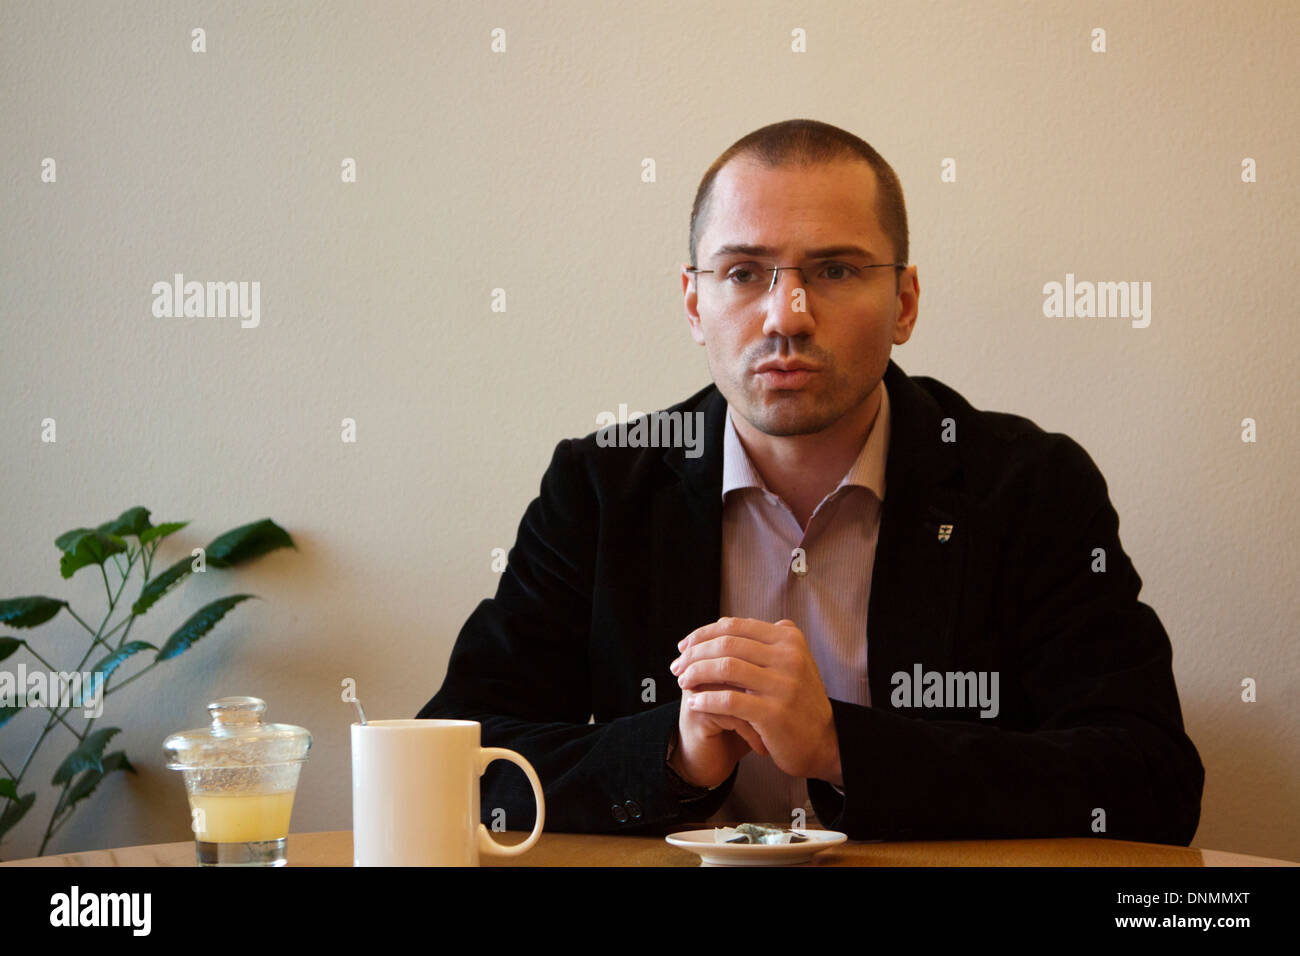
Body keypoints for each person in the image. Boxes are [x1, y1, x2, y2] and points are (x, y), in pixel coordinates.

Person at [416, 118, 1204, 844]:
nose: (785, 316)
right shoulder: (598, 489)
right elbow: (453, 765)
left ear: (905, 302)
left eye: (834, 269)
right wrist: (672, 754)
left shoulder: (1029, 487)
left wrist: (840, 747)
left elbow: (1151, 783)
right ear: (695, 303)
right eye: (744, 273)